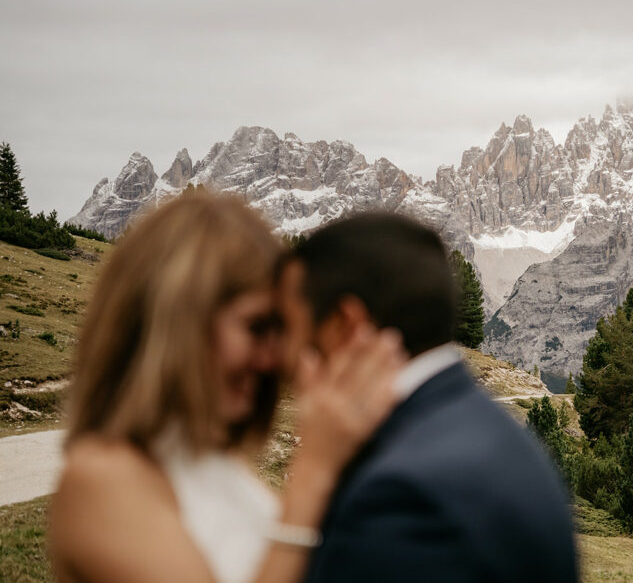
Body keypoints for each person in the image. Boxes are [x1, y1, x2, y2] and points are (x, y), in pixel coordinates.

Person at [49, 193, 404, 583]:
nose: (275, 360)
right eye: (256, 327)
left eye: (280, 331)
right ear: (178, 324)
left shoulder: (216, 460)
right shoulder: (100, 480)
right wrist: (314, 473)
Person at [278, 212, 579, 582]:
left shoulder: (398, 493)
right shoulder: (492, 431)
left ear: (347, 323)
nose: (285, 354)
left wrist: (310, 475)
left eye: (291, 326)